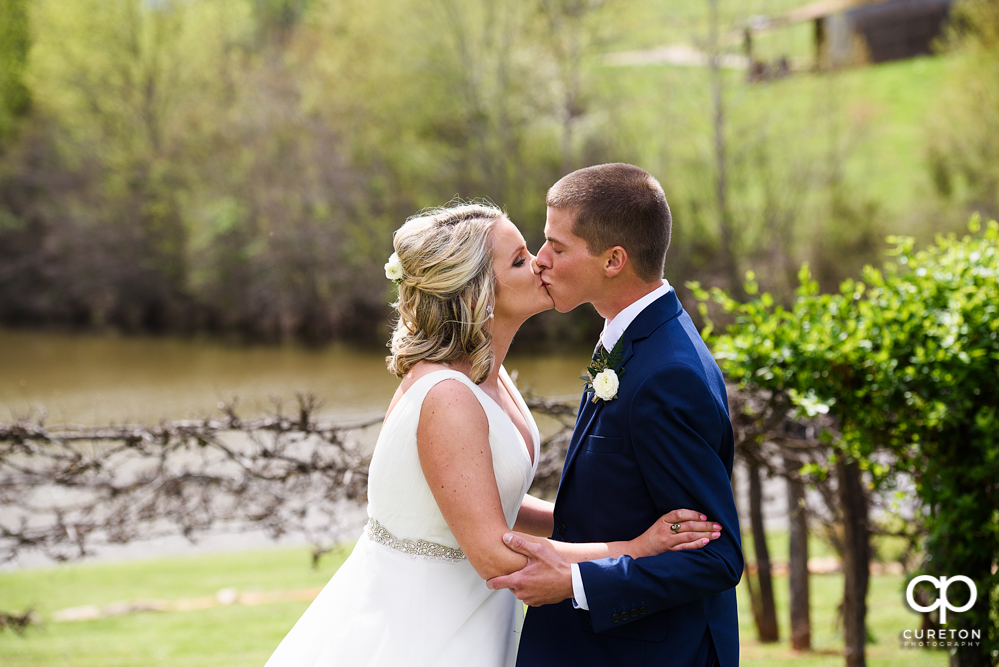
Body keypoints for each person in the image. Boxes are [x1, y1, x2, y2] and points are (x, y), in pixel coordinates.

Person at [263, 202, 724, 667]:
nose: (541, 262)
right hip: (423, 624)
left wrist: (589, 528)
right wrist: (635, 549)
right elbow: (494, 556)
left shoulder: (489, 376)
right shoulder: (448, 396)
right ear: (478, 295)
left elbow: (488, 500)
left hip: (474, 612)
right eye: (521, 260)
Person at [486, 164, 743, 667]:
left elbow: (716, 556)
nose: (540, 261)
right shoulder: (632, 342)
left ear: (613, 260)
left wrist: (574, 580)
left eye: (557, 247)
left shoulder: (667, 374)